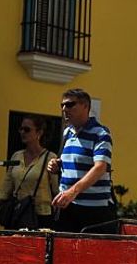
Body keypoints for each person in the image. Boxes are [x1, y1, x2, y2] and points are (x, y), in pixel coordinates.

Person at [46, 89, 116, 234]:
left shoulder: (101, 133)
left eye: (70, 104)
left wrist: (72, 191)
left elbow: (100, 167)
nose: (65, 109)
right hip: (67, 207)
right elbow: (72, 160)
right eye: (62, 105)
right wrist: (57, 164)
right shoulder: (67, 132)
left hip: (93, 209)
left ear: (85, 106)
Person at [0, 115, 59, 229]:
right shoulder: (16, 156)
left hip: (40, 215)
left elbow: (56, 188)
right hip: (18, 212)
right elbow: (7, 185)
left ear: (39, 133)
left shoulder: (49, 157)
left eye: (27, 130)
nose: (22, 132)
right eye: (21, 129)